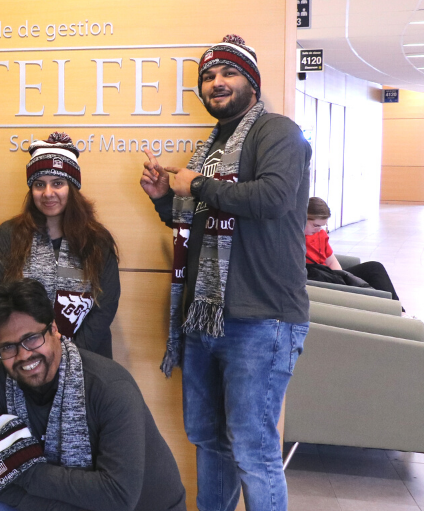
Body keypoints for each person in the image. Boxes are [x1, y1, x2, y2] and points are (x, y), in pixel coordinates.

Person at [139, 35, 312, 511]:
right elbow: (194, 225)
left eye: (228, 73)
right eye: (208, 77)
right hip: (206, 318)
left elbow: (271, 199)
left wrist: (195, 183)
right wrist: (163, 197)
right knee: (208, 439)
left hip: (263, 320)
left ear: (252, 83)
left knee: (253, 448)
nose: (216, 83)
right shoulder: (210, 148)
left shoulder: (278, 132)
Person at [0, 279, 186, 511]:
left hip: (145, 507)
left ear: (54, 330)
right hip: (66, 503)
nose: (23, 355)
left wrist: (22, 470)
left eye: (31, 338)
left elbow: (117, 497)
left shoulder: (110, 387)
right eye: (8, 347)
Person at [0, 132, 119, 359]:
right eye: (40, 185)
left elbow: (105, 306)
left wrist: (68, 354)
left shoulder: (97, 240)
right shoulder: (10, 235)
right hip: (24, 356)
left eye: (58, 183)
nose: (48, 193)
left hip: (86, 355)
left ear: (72, 188)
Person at [305, 196, 402, 302]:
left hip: (330, 276)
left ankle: (398, 309)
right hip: (317, 279)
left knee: (375, 267)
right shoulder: (293, 239)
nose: (318, 229)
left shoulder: (320, 234)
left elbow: (331, 261)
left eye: (322, 226)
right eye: (315, 225)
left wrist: (342, 278)